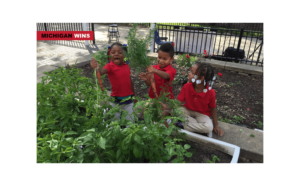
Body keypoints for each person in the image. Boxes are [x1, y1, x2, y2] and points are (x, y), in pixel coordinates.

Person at [160, 62, 224, 136]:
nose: (189, 74)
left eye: (192, 73)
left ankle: (183, 125)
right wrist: (166, 107)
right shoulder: (187, 86)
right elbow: (178, 103)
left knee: (209, 127)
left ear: (202, 78)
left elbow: (213, 108)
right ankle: (190, 126)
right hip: (187, 110)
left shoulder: (210, 92)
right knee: (175, 110)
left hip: (202, 115)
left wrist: (216, 125)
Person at [90, 42, 136, 124]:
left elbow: (129, 81)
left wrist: (134, 95)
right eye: (113, 52)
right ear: (109, 54)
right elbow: (101, 72)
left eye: (120, 52)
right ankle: (112, 129)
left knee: (131, 122)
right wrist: (97, 68)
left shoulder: (126, 66)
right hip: (116, 100)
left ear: (124, 55)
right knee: (114, 123)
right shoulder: (110, 66)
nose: (116, 54)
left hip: (129, 100)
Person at [138, 43, 176, 117]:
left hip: (166, 100)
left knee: (161, 116)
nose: (161, 60)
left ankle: (168, 117)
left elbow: (166, 76)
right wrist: (146, 79)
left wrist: (155, 70)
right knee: (146, 113)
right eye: (159, 57)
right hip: (153, 98)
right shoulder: (154, 68)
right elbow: (149, 84)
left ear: (171, 59)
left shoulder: (172, 70)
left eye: (165, 59)